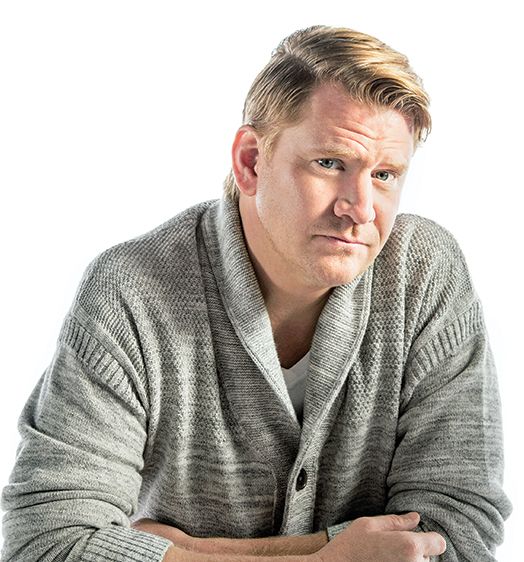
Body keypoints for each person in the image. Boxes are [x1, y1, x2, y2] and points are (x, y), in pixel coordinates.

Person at [1, 25, 511, 562]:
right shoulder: (130, 293)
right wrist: (330, 558)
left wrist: (190, 551)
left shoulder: (424, 273)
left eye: (384, 175)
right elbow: (45, 543)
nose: (360, 209)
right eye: (330, 163)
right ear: (250, 161)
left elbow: (457, 532)